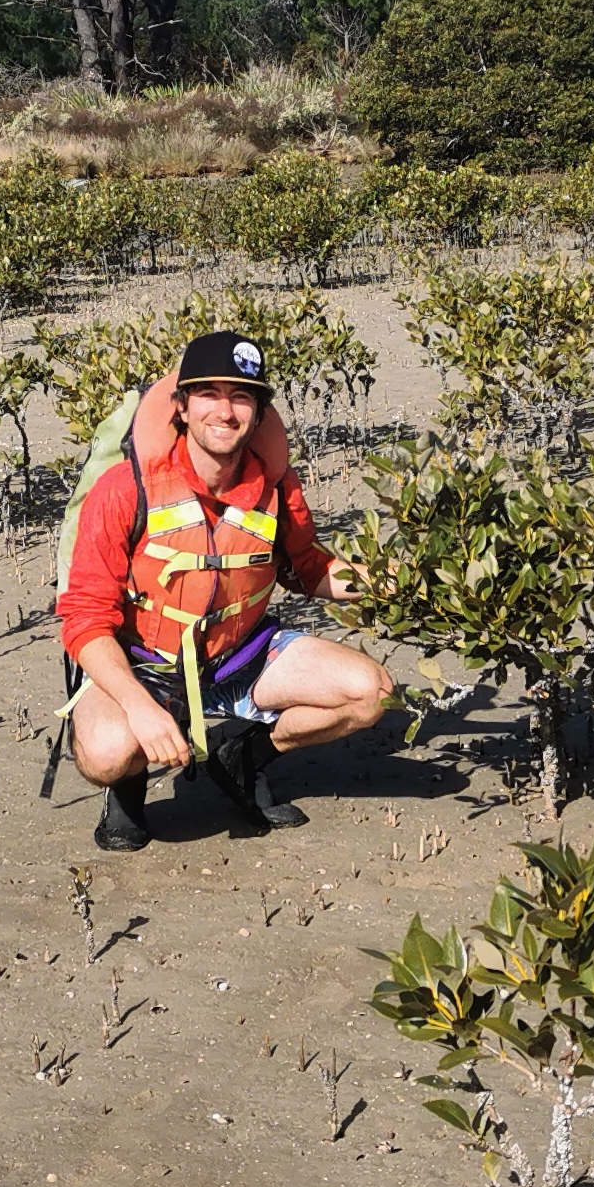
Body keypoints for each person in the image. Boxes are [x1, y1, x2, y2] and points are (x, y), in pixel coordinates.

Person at [57, 330, 394, 851]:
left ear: (259, 414)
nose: (225, 411)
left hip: (241, 656)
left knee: (370, 693)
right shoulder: (126, 489)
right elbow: (84, 616)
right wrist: (140, 707)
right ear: (181, 407)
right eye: (209, 394)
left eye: (241, 397)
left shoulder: (279, 487)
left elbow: (305, 568)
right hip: (144, 662)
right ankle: (128, 787)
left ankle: (244, 756)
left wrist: (396, 585)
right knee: (106, 752)